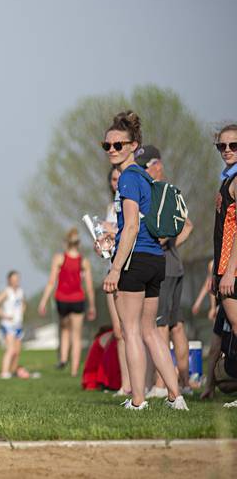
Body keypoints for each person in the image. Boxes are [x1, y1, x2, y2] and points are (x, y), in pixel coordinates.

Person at [101, 111, 187, 411]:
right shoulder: (143, 176)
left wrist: (114, 268)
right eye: (107, 145)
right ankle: (176, 397)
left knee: (132, 332)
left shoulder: (126, 178)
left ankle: (138, 401)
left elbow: (133, 227)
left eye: (118, 145)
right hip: (154, 259)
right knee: (151, 331)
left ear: (133, 145)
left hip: (134, 261)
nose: (112, 150)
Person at [135, 145, 194, 398]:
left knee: (160, 327)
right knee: (176, 326)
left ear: (157, 165)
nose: (143, 171)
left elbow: (187, 226)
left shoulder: (160, 191)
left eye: (146, 166)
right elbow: (187, 225)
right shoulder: (170, 192)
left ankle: (161, 385)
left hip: (166, 267)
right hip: (173, 265)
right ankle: (185, 383)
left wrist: (165, 243)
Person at [202, 123, 237, 407]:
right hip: (224, 268)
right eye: (221, 146)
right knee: (222, 330)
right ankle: (209, 385)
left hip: (233, 270)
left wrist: (228, 271)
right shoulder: (227, 180)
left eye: (233, 146)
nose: (227, 151)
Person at [38, 228, 96, 377]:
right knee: (76, 336)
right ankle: (74, 369)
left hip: (62, 299)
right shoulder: (84, 261)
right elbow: (89, 286)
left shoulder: (59, 258)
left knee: (64, 329)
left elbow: (51, 282)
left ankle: (63, 359)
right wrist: (92, 306)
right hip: (78, 300)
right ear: (78, 243)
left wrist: (43, 301)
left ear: (66, 243)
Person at [101, 166, 131, 397]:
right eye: (112, 179)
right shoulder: (111, 207)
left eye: (118, 178)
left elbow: (132, 230)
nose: (115, 182)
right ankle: (126, 384)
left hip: (129, 270)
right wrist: (101, 243)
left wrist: (114, 230)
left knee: (136, 330)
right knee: (119, 332)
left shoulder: (132, 202)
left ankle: (145, 383)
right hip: (111, 268)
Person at [0, 271, 26, 379]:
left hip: (18, 324)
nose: (16, 281)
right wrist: (4, 315)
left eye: (17, 279)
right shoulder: (7, 292)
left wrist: (21, 313)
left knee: (17, 351)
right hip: (8, 324)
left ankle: (13, 371)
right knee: (10, 350)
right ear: (9, 280)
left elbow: (23, 304)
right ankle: (4, 372)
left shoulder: (20, 291)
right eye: (13, 279)